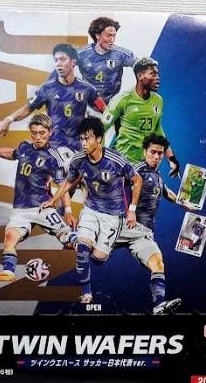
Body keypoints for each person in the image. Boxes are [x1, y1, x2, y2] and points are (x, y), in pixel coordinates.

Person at [41, 116, 142, 305]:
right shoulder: (78, 160)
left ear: (99, 139)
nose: (83, 143)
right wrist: (52, 200)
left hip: (113, 215)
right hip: (91, 209)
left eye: (87, 138)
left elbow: (137, 180)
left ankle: (84, 241)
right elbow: (68, 182)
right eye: (81, 139)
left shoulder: (115, 160)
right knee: (82, 249)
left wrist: (132, 210)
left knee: (98, 258)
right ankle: (86, 292)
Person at [0, 113, 74, 282]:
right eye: (34, 133)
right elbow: (10, 154)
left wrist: (68, 211)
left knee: (69, 241)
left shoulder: (53, 158)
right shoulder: (24, 147)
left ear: (50, 132)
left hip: (42, 208)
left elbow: (63, 186)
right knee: (9, 238)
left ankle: (94, 246)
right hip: (21, 210)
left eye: (42, 133)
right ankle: (8, 272)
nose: (38, 137)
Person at [0, 44, 106, 164]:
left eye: (62, 59)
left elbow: (103, 108)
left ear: (73, 62)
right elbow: (28, 108)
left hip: (79, 147)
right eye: (56, 60)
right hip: (54, 148)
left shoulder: (87, 88)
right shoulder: (47, 88)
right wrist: (9, 119)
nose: (58, 64)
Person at [123, 133, 192, 313]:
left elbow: (165, 191)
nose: (156, 156)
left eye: (160, 153)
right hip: (126, 228)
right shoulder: (135, 171)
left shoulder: (157, 175)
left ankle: (159, 305)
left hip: (144, 233)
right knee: (97, 253)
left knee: (158, 264)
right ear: (144, 151)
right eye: (152, 152)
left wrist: (182, 202)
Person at [102, 57, 180, 173]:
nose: (157, 78)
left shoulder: (158, 100)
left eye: (157, 74)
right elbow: (101, 128)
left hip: (144, 165)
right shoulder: (122, 99)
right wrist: (101, 159)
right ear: (140, 76)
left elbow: (158, 130)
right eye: (153, 74)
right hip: (122, 163)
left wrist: (171, 158)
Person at [76, 16, 136, 101]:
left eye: (114, 36)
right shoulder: (81, 53)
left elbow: (142, 66)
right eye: (108, 36)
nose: (112, 40)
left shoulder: (121, 54)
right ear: (97, 35)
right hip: (88, 103)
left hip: (112, 103)